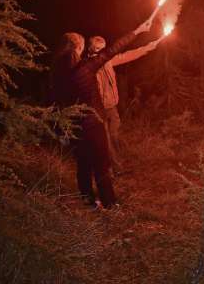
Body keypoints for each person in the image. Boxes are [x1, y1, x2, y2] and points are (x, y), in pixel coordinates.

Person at [51, 17, 153, 209]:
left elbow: (57, 102)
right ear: (78, 49)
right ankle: (110, 203)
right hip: (93, 123)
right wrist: (138, 31)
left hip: (74, 125)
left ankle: (88, 200)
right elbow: (113, 49)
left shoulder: (58, 73)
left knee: (83, 163)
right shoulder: (86, 68)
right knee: (101, 165)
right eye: (81, 46)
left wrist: (61, 129)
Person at [86, 35, 164, 172]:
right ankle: (115, 168)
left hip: (112, 106)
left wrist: (148, 47)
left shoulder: (108, 61)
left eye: (103, 49)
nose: (101, 52)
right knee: (106, 139)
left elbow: (128, 55)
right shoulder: (88, 66)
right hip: (98, 109)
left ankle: (111, 162)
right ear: (90, 48)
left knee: (114, 135)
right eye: (97, 49)